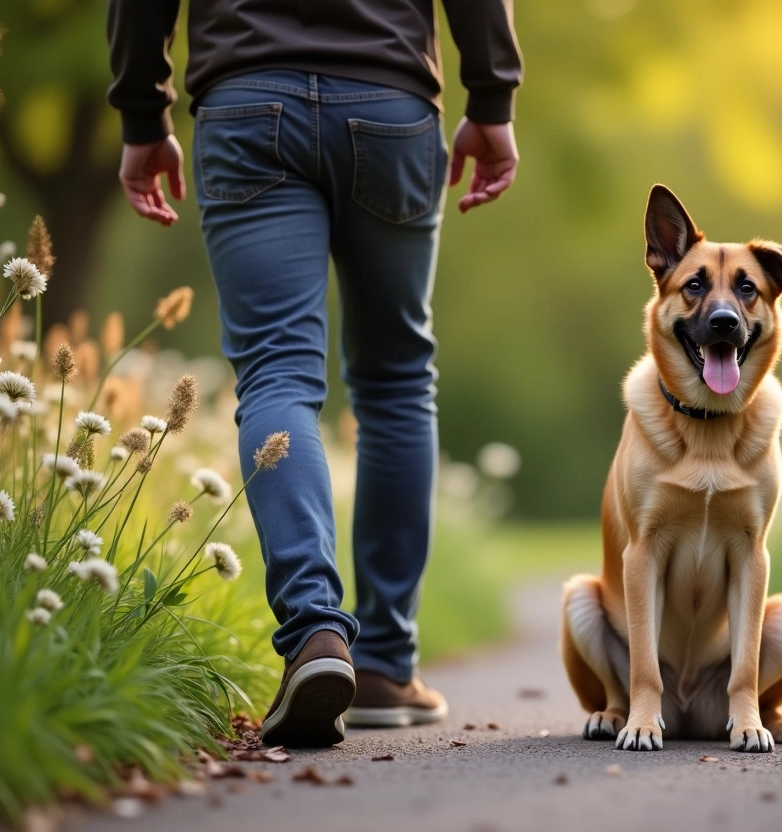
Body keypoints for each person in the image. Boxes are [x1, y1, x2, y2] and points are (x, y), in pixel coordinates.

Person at [107, 0, 521, 747]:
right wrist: (491, 96)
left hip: (246, 100)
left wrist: (143, 113)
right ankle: (387, 666)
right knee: (396, 381)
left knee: (276, 374)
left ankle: (314, 635)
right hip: (389, 100)